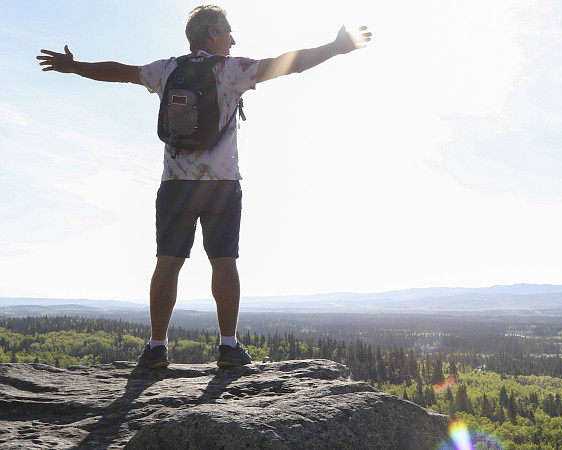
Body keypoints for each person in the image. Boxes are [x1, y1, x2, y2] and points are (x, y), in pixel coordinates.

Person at [37, 5, 371, 369]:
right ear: (212, 33)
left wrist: (75, 67)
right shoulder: (231, 70)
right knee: (224, 262)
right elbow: (292, 63)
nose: (232, 39)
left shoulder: (168, 69)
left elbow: (121, 73)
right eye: (228, 31)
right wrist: (337, 47)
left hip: (176, 184)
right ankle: (228, 347)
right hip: (222, 185)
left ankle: (156, 348)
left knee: (168, 263)